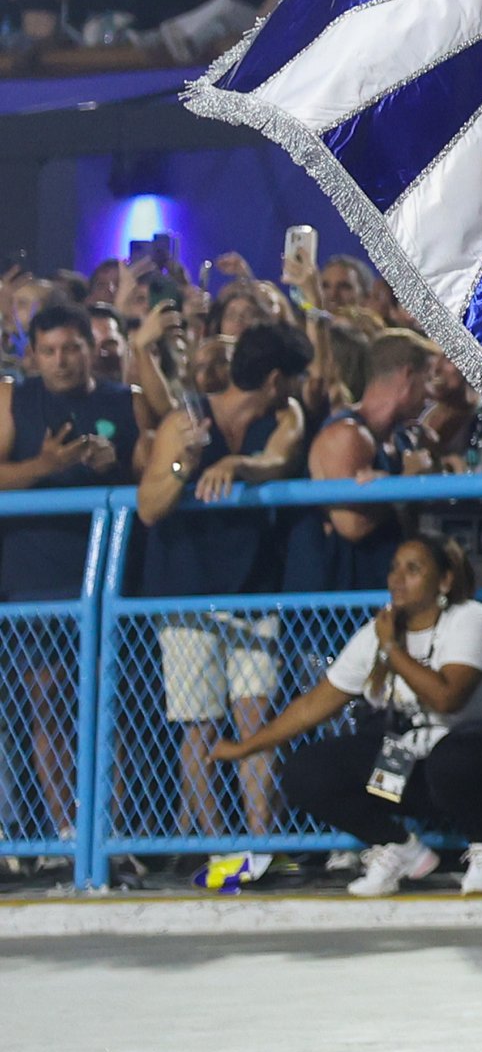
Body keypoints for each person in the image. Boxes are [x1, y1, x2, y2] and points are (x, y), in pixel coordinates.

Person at [214, 531, 482, 897]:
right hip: (417, 766)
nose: (397, 578)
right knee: (308, 771)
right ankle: (401, 849)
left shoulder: (470, 618)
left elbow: (447, 699)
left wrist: (392, 649)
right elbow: (311, 706)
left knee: (453, 759)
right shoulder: (376, 633)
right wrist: (246, 747)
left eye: (413, 569)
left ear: (445, 580)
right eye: (394, 568)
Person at [141, 319, 310, 875]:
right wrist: (181, 466)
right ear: (276, 377)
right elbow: (148, 506)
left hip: (252, 594)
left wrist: (237, 464)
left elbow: (280, 460)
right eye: (294, 378)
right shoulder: (185, 419)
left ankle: (259, 846)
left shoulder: (284, 416)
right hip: (187, 595)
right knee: (202, 727)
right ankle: (220, 850)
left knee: (257, 720)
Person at [2, 303, 142, 836]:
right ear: (32, 355)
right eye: (50, 351)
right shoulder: (13, 398)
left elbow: (152, 481)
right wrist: (45, 466)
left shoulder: (124, 402)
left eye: (71, 348)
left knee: (110, 707)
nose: (61, 361)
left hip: (109, 576)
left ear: (92, 348)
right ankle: (67, 832)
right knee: (49, 705)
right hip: (35, 580)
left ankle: (110, 832)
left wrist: (118, 468)